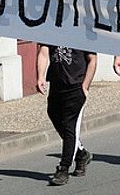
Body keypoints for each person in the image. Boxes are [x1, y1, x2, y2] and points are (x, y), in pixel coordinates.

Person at [38, 43, 96, 186]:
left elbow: (92, 60)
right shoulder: (52, 29)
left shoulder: (82, 31)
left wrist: (85, 86)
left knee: (70, 127)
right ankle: (81, 153)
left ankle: (63, 168)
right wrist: (40, 76)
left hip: (76, 85)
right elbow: (43, 53)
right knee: (53, 114)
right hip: (57, 85)